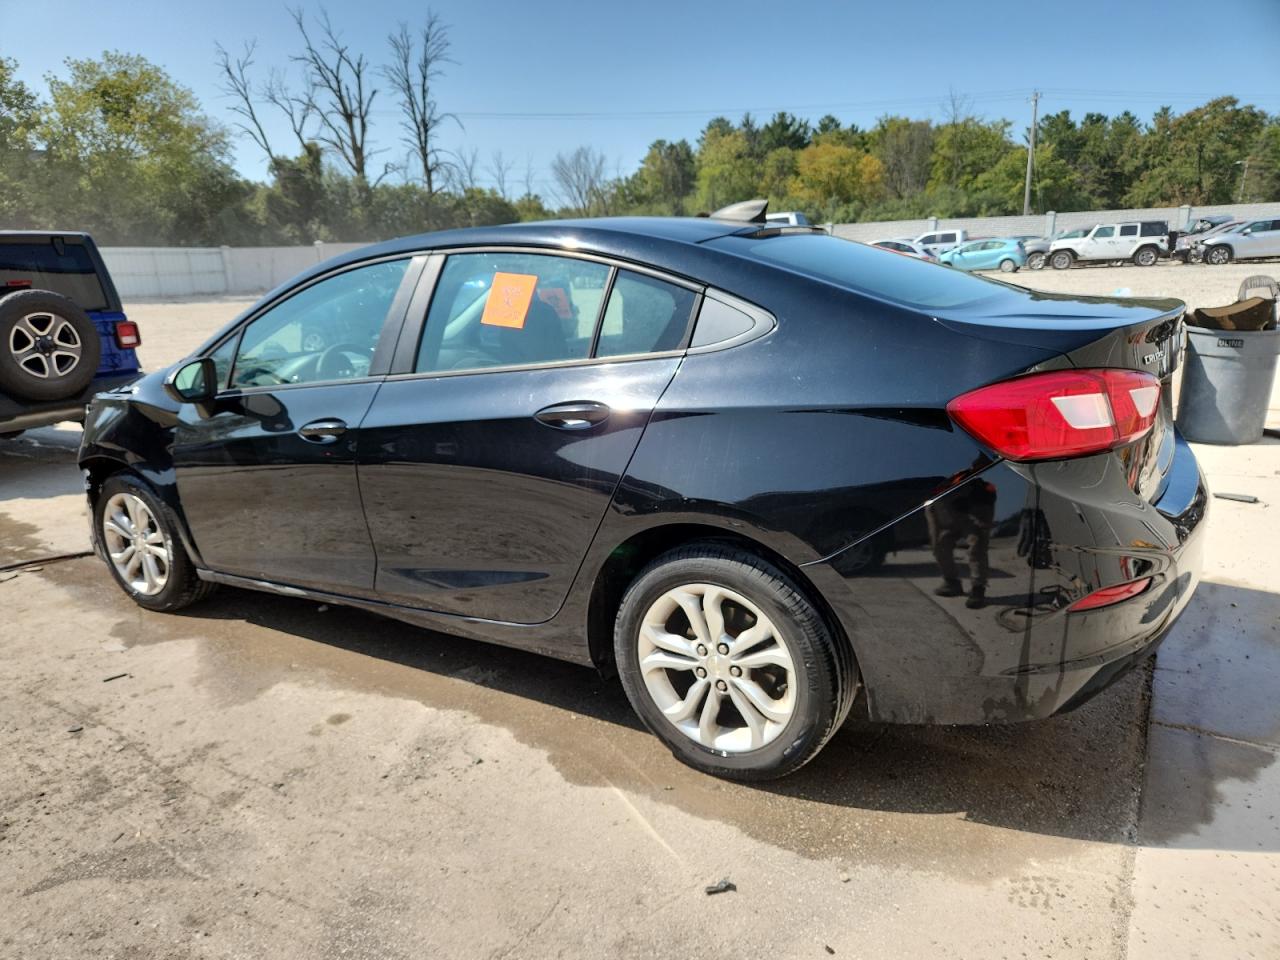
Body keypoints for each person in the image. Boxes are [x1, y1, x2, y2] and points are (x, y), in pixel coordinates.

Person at [927, 468, 997, 609]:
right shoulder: (931, 475)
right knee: (940, 545)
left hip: (970, 510)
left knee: (977, 545)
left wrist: (976, 507)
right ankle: (951, 582)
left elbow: (988, 493)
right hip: (943, 508)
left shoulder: (967, 473)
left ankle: (978, 588)